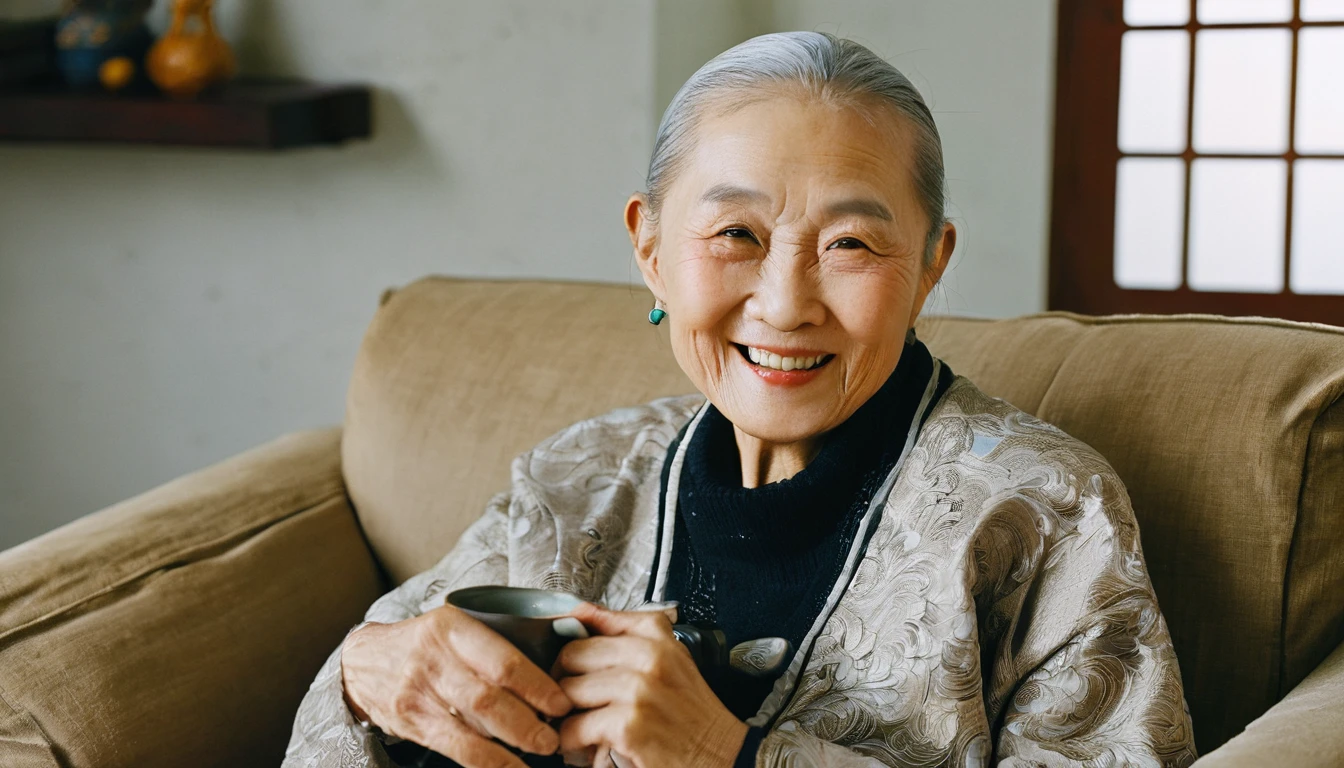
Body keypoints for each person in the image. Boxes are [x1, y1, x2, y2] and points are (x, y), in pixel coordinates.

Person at [284, 32, 1197, 768]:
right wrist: (368, 670)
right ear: (650, 249)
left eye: (849, 245)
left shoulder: (1043, 509)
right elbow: (366, 696)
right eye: (735, 233)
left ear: (930, 265)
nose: (786, 303)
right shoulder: (579, 476)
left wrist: (727, 753)